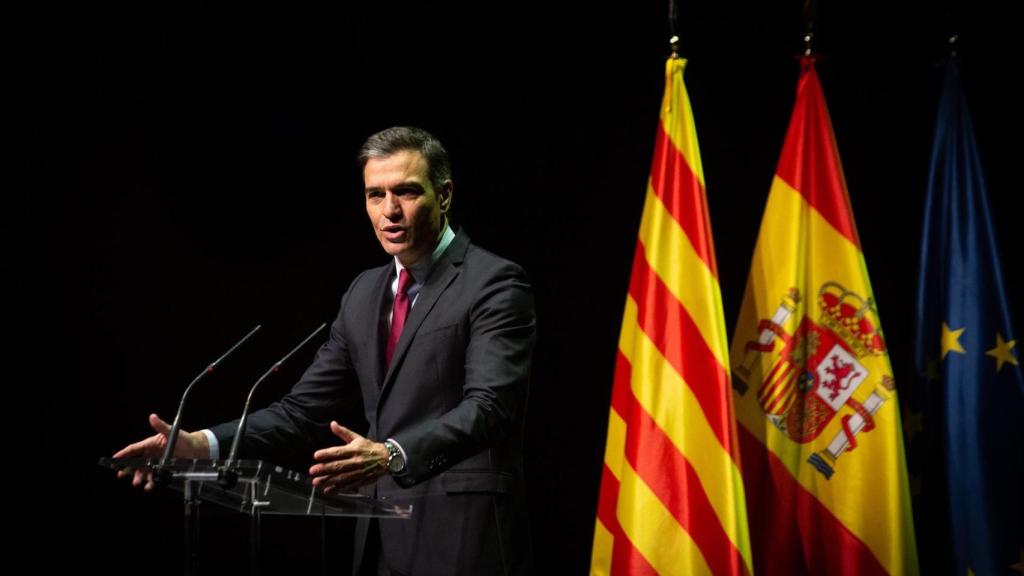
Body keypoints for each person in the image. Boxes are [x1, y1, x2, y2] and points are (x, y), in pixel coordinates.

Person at [114, 126, 537, 575]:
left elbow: (490, 408)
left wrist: (391, 453)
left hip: (463, 537)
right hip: (380, 540)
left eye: (406, 192)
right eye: (375, 195)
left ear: (445, 195)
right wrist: (201, 444)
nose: (389, 210)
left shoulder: (494, 283)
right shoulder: (363, 293)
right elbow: (302, 411)